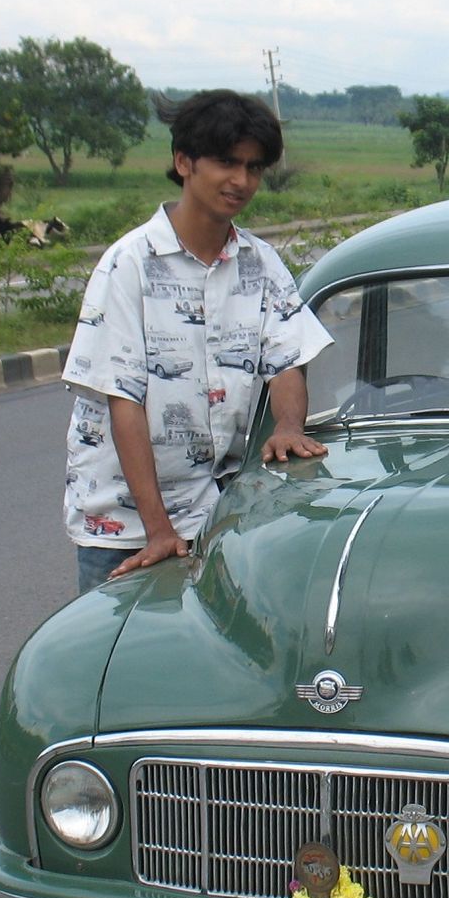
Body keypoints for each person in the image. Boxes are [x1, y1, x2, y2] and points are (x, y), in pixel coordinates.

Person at [61, 90, 332, 595]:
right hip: (126, 526)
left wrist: (289, 426)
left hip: (218, 510)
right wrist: (159, 530)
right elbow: (123, 401)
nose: (241, 181)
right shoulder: (129, 265)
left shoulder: (261, 263)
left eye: (254, 168)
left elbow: (286, 358)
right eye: (226, 162)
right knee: (119, 664)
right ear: (183, 162)